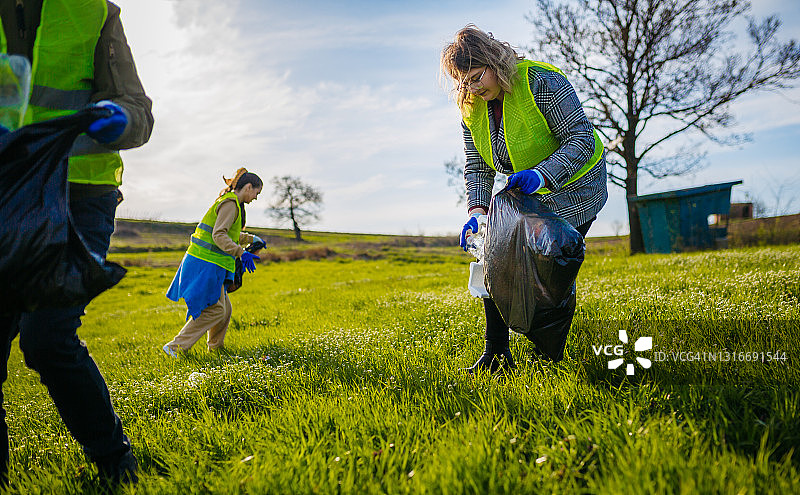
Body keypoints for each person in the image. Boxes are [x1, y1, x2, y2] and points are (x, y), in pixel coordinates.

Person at [0, 0, 153, 485]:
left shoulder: (93, 11)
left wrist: (118, 119)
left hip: (78, 195)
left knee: (47, 338)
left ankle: (115, 462)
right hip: (5, 195)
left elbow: (139, 113)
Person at [441, 25, 608, 373]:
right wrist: (477, 212)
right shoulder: (472, 107)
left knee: (549, 266)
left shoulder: (541, 83)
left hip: (576, 187)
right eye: (464, 82)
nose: (471, 88)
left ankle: (550, 353)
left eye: (476, 77)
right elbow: (477, 166)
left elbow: (581, 139)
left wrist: (541, 174)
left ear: (494, 62)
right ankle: (497, 355)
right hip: (528, 196)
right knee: (492, 254)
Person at [163, 168, 264, 356]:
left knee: (225, 310)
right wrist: (241, 253)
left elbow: (229, 233)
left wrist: (251, 239)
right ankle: (175, 347)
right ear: (248, 187)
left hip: (210, 262)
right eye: (256, 193)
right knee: (216, 310)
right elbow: (219, 235)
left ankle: (216, 348)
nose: (255, 198)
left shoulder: (231, 203)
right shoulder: (230, 204)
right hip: (205, 262)